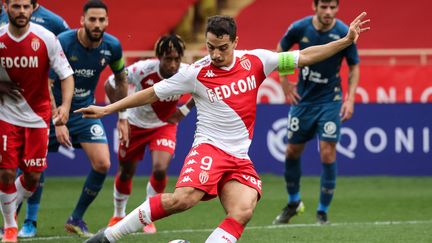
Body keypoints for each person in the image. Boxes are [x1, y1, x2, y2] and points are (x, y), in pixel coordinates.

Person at [79, 13, 370, 243]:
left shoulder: (258, 61)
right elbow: (153, 93)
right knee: (183, 200)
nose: (215, 54)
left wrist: (345, 41)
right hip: (209, 148)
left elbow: (304, 56)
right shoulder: (196, 73)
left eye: (222, 48)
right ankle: (109, 237)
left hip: (238, 157)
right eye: (210, 47)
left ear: (234, 41)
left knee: (243, 210)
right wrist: (108, 109)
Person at [273, 0, 360, 225]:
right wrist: (283, 80)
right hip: (303, 100)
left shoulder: (343, 32)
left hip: (330, 100)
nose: (328, 12)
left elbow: (354, 65)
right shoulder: (300, 28)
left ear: (337, 8)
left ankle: (322, 211)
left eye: (333, 7)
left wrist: (350, 98)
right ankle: (293, 203)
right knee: (292, 151)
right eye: (324, 7)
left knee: (327, 153)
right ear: (315, 6)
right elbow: (280, 50)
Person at [48, 0, 127, 237]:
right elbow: (49, 83)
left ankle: (76, 218)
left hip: (85, 112)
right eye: (92, 19)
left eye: (101, 20)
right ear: (82, 20)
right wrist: (58, 119)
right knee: (30, 168)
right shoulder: (63, 42)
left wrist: (122, 116)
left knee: (103, 163)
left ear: (107, 22)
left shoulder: (113, 46)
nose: (97, 24)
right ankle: (10, 222)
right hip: (53, 111)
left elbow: (121, 79)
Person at [0, 0, 75, 242]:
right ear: (5, 7)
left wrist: (64, 106)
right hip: (5, 115)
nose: (21, 11)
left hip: (37, 118)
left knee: (33, 176)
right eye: (16, 6)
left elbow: (66, 74)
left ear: (33, 8)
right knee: (6, 172)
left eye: (25, 6)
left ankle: (9, 204)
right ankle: (10, 226)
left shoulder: (46, 38)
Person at [105, 34, 195, 234]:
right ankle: (118, 214)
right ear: (158, 57)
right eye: (168, 59)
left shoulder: (187, 72)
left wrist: (185, 110)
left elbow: (204, 87)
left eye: (176, 60)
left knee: (160, 169)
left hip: (163, 125)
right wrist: (123, 116)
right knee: (126, 170)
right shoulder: (142, 69)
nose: (173, 65)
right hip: (135, 125)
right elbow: (111, 83)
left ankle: (147, 217)